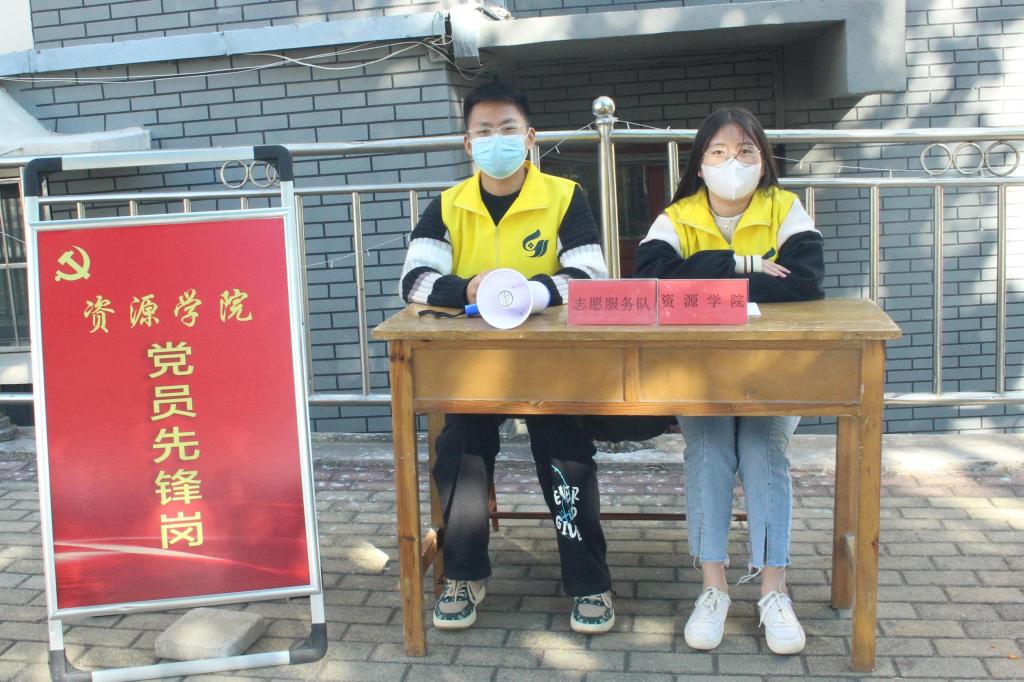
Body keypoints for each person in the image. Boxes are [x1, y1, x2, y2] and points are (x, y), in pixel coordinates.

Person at [399, 82, 615, 634]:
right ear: (468, 144)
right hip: (475, 366)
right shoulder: (448, 204)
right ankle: (463, 573)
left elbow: (591, 275)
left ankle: (589, 581)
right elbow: (414, 280)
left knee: (566, 452)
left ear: (530, 137)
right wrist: (470, 289)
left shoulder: (565, 195)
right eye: (484, 131)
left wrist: (532, 292)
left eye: (508, 129)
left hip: (552, 364)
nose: (497, 140)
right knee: (460, 447)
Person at [634, 107, 825, 655]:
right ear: (699, 165)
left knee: (763, 449)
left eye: (745, 151)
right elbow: (651, 281)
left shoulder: (785, 207)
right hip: (701, 370)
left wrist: (698, 282)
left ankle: (773, 590)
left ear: (763, 161)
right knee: (711, 448)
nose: (732, 162)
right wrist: (746, 265)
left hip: (774, 368)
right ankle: (713, 587)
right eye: (717, 152)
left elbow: (806, 283)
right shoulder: (676, 217)